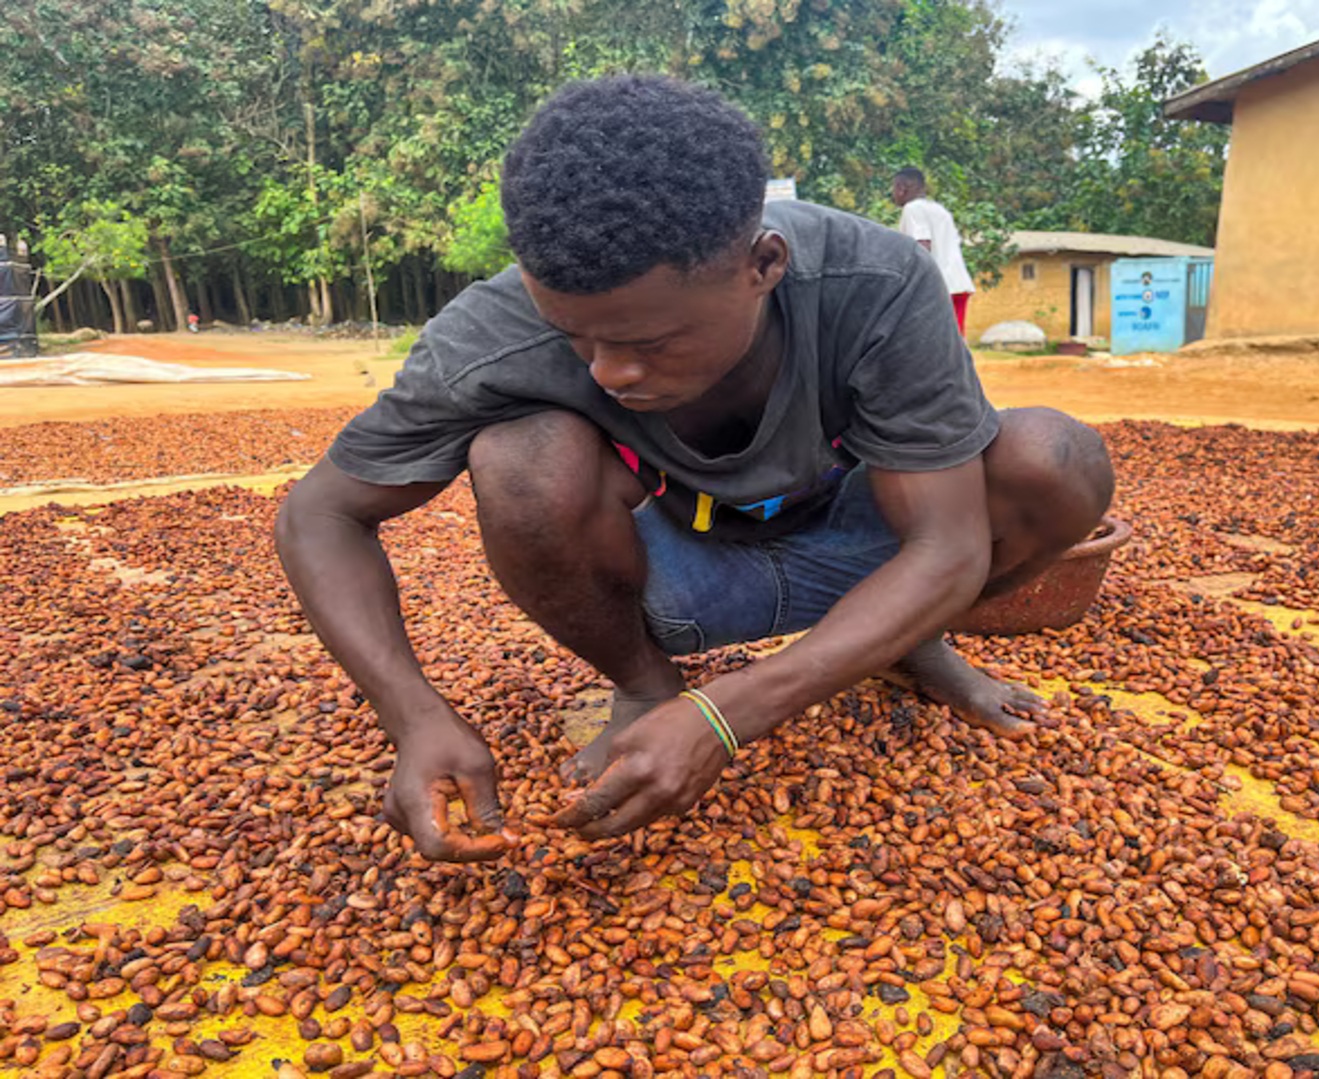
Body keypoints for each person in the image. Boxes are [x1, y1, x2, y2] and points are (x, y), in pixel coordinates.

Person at [276, 76, 1114, 862]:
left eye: (647, 342)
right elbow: (320, 513)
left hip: (873, 543)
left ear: (764, 265)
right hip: (682, 568)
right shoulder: (491, 330)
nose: (607, 372)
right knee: (519, 457)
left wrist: (723, 715)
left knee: (1054, 457)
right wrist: (414, 716)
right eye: (572, 334)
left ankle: (911, 638)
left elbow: (947, 545)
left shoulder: (875, 281)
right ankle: (643, 683)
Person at [891, 167, 975, 334]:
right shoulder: (939, 210)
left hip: (938, 287)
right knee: (954, 341)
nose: (893, 193)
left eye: (894, 188)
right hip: (958, 284)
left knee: (931, 343)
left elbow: (922, 246)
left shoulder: (912, 208)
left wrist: (912, 285)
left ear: (902, 188)